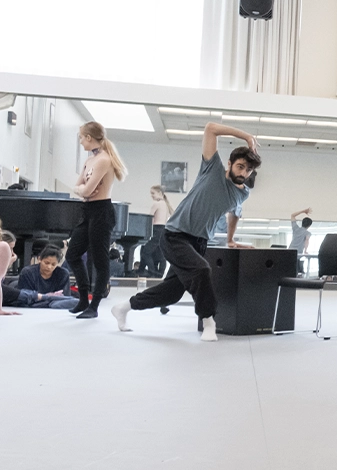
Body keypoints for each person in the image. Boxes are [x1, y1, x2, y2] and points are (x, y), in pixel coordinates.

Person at [111, 122, 260, 342]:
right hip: (174, 236)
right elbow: (210, 128)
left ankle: (123, 307)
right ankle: (209, 321)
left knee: (170, 293)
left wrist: (230, 239)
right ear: (229, 163)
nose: (243, 173)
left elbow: (234, 214)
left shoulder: (243, 193)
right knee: (201, 270)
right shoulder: (212, 169)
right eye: (240, 167)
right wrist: (246, 135)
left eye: (248, 170)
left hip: (199, 242)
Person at [65, 121, 128, 319]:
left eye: (82, 138)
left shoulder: (103, 160)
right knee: (72, 254)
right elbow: (78, 186)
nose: (81, 142)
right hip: (88, 210)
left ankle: (95, 305)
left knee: (100, 261)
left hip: (102, 211)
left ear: (89, 138)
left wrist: (84, 190)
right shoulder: (89, 161)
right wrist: (83, 190)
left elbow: (87, 189)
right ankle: (83, 298)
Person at [12, 247, 81, 310]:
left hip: (53, 303)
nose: (49, 267)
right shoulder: (28, 272)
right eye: (46, 263)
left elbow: (65, 297)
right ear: (39, 259)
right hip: (34, 304)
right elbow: (25, 296)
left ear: (58, 264)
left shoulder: (63, 273)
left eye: (53, 264)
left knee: (76, 302)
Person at [141, 185, 173, 277]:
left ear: (160, 193)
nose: (151, 195)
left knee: (145, 253)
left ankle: (152, 273)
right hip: (163, 230)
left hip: (156, 229)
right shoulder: (166, 205)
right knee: (160, 255)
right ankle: (159, 274)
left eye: (153, 193)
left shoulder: (157, 204)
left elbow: (149, 218)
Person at [289, 208, 312, 275]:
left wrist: (303, 211)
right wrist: (305, 250)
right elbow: (307, 241)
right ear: (309, 226)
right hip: (298, 254)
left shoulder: (295, 228)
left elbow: (292, 215)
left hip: (290, 251)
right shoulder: (307, 233)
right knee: (295, 271)